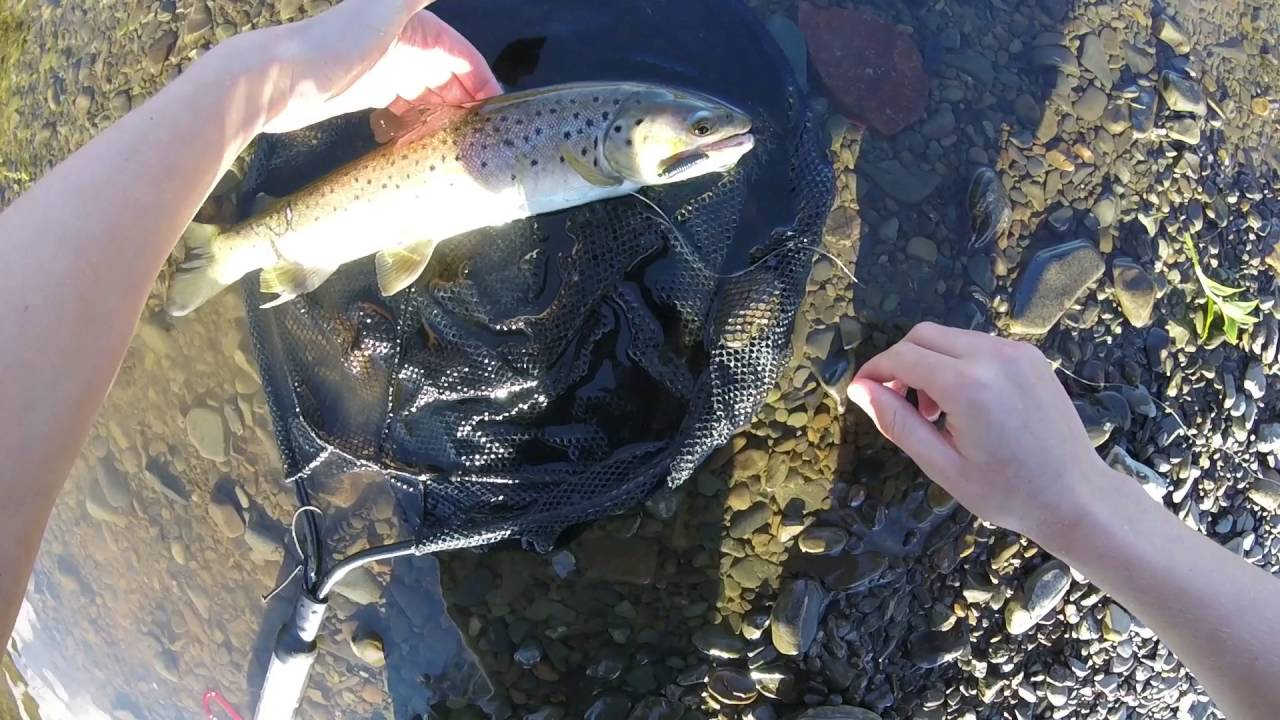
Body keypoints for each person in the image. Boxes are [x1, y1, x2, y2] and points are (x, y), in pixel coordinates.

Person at [0, 2, 1275, 718]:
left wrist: (257, 80)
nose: (717, 145)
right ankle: (234, 249)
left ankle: (233, 246)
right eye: (701, 139)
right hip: (409, 190)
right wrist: (1079, 509)